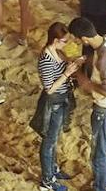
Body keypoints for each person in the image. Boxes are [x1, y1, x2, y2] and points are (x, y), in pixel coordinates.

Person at [69, 16, 106, 191]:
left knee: (98, 153)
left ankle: (100, 187)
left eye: (77, 40)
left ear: (84, 39)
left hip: (105, 108)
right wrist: (86, 59)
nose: (77, 42)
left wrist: (85, 81)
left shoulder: (102, 58)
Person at [35, 22, 79, 191]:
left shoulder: (57, 51)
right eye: (64, 41)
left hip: (62, 99)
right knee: (49, 141)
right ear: (55, 40)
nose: (66, 43)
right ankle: (47, 180)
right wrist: (66, 73)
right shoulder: (45, 59)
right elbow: (49, 88)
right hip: (53, 102)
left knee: (54, 138)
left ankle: (52, 169)